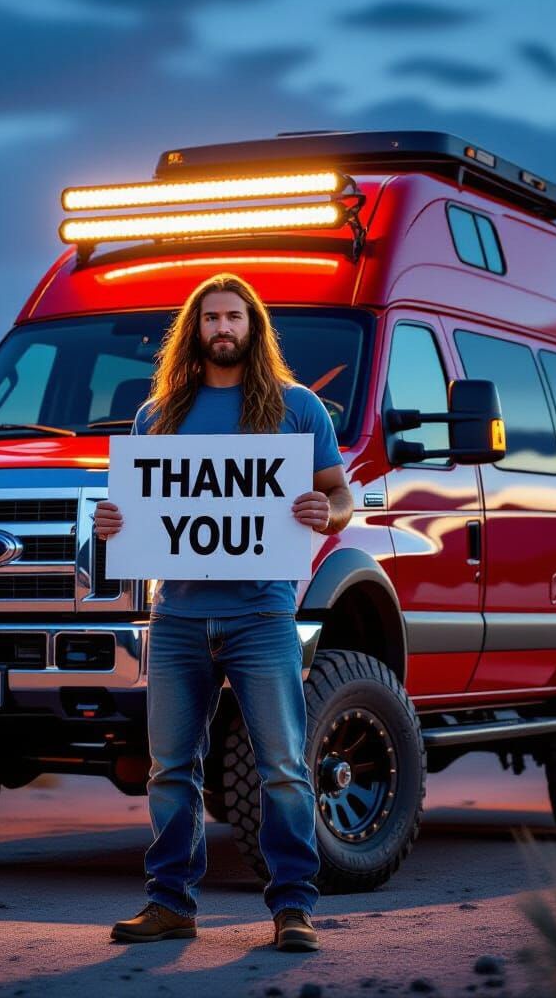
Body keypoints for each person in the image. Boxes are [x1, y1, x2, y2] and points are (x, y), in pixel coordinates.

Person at [94, 272, 353, 953]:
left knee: (284, 767)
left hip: (261, 616)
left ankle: (294, 907)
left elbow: (340, 495)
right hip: (177, 617)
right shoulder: (158, 416)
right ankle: (169, 904)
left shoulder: (298, 410)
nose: (223, 328)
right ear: (195, 329)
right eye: (210, 318)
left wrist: (328, 512)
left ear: (253, 326)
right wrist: (115, 523)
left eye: (234, 316)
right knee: (170, 768)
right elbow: (139, 515)